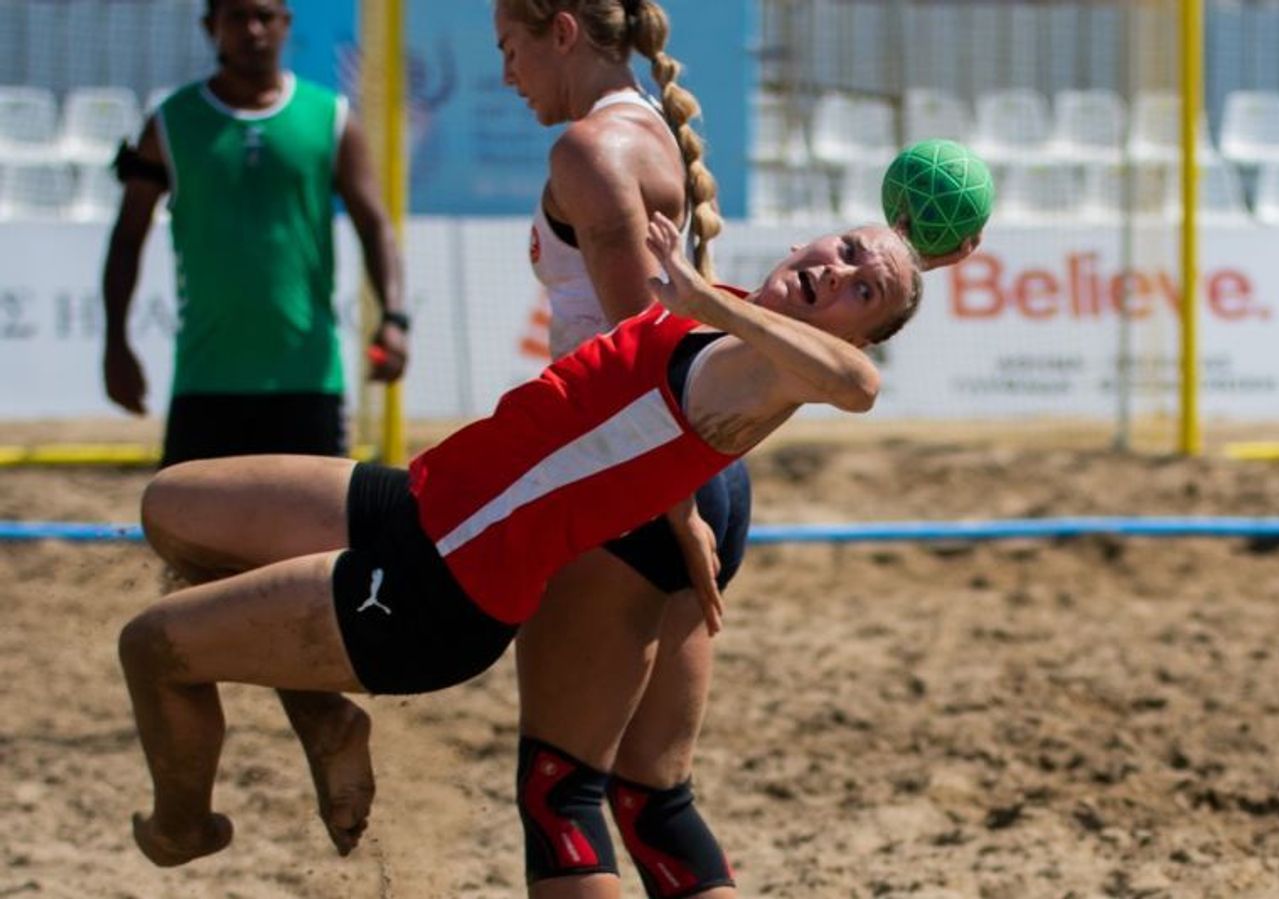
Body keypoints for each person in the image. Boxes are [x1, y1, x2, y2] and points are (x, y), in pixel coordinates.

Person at [117, 210, 923, 870]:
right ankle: (327, 721)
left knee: (151, 645)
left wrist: (713, 305)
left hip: (438, 585)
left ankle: (183, 827)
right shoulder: (740, 322)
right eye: (845, 250)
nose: (839, 271)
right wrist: (683, 514)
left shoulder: (771, 363)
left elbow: (859, 386)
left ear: (856, 335)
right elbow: (645, 430)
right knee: (173, 508)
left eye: (862, 289)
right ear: (805, 239)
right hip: (423, 502)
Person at [493, 1, 743, 895]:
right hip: (702, 467)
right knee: (654, 798)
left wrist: (673, 510)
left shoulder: (590, 152)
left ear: (562, 30)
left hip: (633, 477)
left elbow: (642, 365)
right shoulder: (656, 133)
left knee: (561, 795)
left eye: (512, 48)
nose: (507, 74)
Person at [101, 0, 407, 467]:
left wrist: (395, 318)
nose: (253, 29)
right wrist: (116, 343)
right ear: (210, 27)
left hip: (308, 380)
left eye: (265, 16)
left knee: (315, 539)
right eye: (237, 17)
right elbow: (127, 238)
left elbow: (375, 226)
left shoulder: (331, 117)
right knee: (192, 537)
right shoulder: (171, 122)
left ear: (286, 24)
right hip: (205, 382)